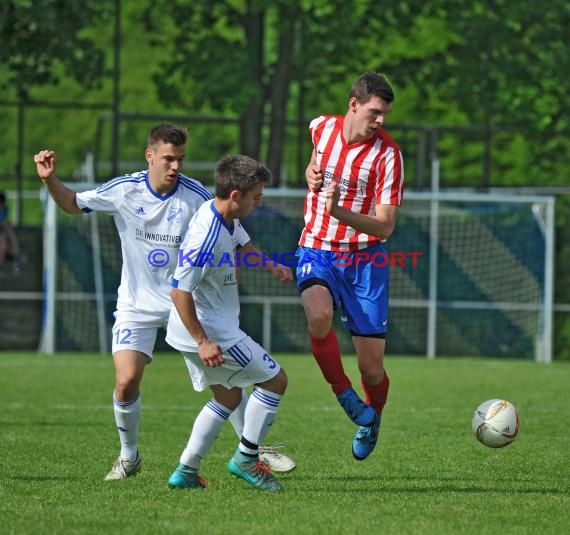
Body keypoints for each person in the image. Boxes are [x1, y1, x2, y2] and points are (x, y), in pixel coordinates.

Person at [33, 123, 295, 481]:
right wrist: (50, 180)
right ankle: (129, 457)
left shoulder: (195, 194)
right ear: (150, 156)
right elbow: (74, 204)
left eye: (181, 159)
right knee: (126, 381)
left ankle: (252, 450)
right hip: (138, 304)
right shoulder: (124, 190)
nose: (175, 167)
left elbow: (236, 235)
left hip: (184, 303)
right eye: (169, 159)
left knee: (228, 386)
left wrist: (269, 265)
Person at [165, 154, 290, 492]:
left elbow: (244, 245)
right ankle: (247, 460)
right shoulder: (205, 237)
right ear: (236, 195)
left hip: (198, 329)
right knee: (276, 380)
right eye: (256, 197)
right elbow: (179, 292)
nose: (259, 202)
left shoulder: (225, 216)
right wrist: (204, 341)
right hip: (209, 331)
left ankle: (186, 471)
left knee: (229, 396)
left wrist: (271, 266)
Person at [296, 72, 404, 461]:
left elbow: (386, 224)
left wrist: (339, 209)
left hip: (366, 261)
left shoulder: (388, 155)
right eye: (375, 112)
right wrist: (310, 171)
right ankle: (343, 392)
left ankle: (372, 417)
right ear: (354, 104)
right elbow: (314, 162)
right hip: (317, 248)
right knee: (318, 315)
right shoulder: (321, 127)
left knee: (372, 369)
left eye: (385, 114)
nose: (381, 121)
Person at [0, 191, 22, 273]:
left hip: (3, 232)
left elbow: (4, 222)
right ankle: (16, 257)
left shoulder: (5, 209)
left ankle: (16, 257)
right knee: (3, 245)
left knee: (10, 236)